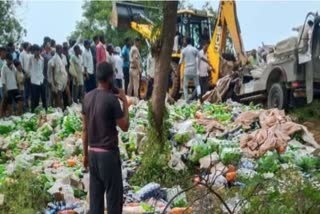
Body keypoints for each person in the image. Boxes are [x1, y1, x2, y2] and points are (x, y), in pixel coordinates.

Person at [82, 62, 129, 214]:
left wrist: (85, 155)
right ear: (110, 78)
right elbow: (124, 126)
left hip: (92, 153)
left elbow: (84, 130)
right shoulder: (111, 100)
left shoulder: (87, 97)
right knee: (114, 199)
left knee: (95, 201)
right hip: (108, 155)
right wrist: (125, 102)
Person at [48, 45, 69, 109]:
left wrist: (67, 77)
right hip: (57, 78)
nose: (61, 50)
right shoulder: (54, 58)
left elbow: (65, 67)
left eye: (61, 49)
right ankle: (58, 108)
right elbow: (53, 68)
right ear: (57, 50)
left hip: (64, 77)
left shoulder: (64, 57)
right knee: (58, 94)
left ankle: (65, 107)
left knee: (65, 93)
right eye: (59, 49)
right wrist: (54, 80)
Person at [29, 44, 46, 112]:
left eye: (38, 51)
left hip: (41, 80)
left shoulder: (42, 59)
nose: (37, 52)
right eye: (35, 51)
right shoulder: (31, 58)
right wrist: (31, 76)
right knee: (34, 98)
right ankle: (33, 111)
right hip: (34, 81)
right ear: (33, 51)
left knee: (43, 97)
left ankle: (45, 110)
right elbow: (29, 68)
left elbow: (42, 69)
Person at [41, 42, 53, 106]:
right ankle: (46, 105)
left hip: (50, 75)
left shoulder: (50, 54)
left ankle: (49, 104)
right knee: (46, 91)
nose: (49, 47)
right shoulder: (43, 54)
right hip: (45, 75)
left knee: (50, 91)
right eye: (48, 46)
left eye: (49, 46)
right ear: (45, 47)